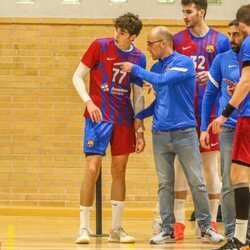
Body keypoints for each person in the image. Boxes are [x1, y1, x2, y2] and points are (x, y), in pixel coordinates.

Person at [117, 26, 225, 245]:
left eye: (150, 43)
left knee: (197, 181)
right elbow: (160, 101)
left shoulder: (184, 63)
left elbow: (164, 81)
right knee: (165, 184)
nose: (147, 48)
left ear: (163, 43)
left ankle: (206, 228)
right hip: (160, 135)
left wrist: (134, 69)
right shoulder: (157, 67)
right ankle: (167, 229)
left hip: (185, 133)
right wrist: (138, 115)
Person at [72, 12, 146, 244]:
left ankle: (116, 229)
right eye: (116, 30)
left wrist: (140, 127)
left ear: (132, 36)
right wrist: (88, 101)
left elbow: (138, 93)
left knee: (120, 172)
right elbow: (77, 77)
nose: (117, 35)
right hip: (98, 117)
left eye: (122, 33)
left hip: (124, 119)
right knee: (92, 170)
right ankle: (83, 227)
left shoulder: (138, 57)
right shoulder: (99, 45)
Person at [169, 0, 231, 241]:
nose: (184, 15)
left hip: (210, 113)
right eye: (183, 11)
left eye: (189, 11)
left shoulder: (221, 41)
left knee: (209, 168)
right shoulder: (176, 40)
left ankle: (213, 221)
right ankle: (179, 223)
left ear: (201, 12)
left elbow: (229, 73)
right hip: (183, 114)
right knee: (180, 169)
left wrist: (213, 75)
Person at [208, 4, 250, 250]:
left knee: (237, 175)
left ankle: (239, 238)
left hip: (246, 118)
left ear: (243, 25)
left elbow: (246, 80)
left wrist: (224, 115)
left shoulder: (248, 42)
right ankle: (242, 237)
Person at [200, 19, 244, 242]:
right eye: (230, 34)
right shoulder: (221, 59)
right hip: (228, 129)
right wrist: (203, 128)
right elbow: (209, 95)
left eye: (236, 34)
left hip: (247, 126)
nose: (232, 39)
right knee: (228, 180)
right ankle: (231, 232)